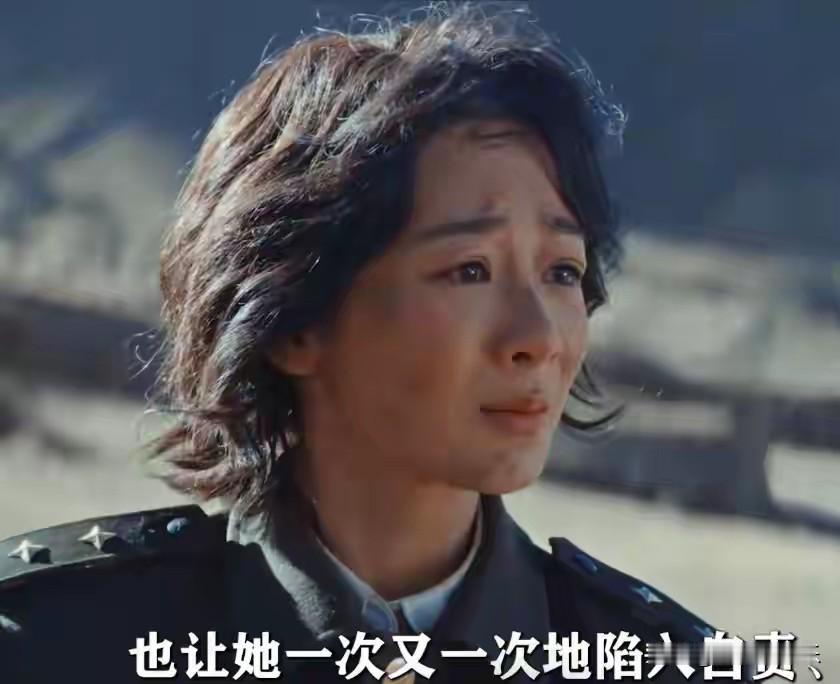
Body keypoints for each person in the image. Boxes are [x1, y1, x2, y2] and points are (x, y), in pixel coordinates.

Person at [0, 4, 749, 682]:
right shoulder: (57, 647)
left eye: (562, 271)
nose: (538, 339)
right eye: (470, 270)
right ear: (294, 321)